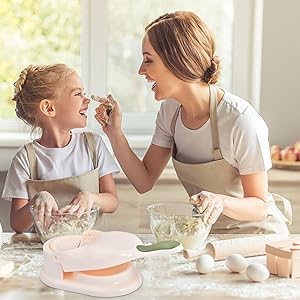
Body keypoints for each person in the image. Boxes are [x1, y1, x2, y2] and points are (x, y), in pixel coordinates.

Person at [96, 11, 291, 234]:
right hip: (208, 236)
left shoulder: (240, 120)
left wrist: (220, 201)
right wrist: (114, 133)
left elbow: (259, 206)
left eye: (148, 60)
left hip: (257, 238)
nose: (141, 70)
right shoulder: (170, 112)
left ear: (179, 62)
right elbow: (144, 181)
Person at [2, 64, 119, 233]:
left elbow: (112, 201)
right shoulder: (26, 158)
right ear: (49, 108)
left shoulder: (94, 144)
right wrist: (36, 200)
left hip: (90, 248)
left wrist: (91, 198)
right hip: (44, 252)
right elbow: (17, 224)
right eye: (78, 94)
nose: (87, 100)